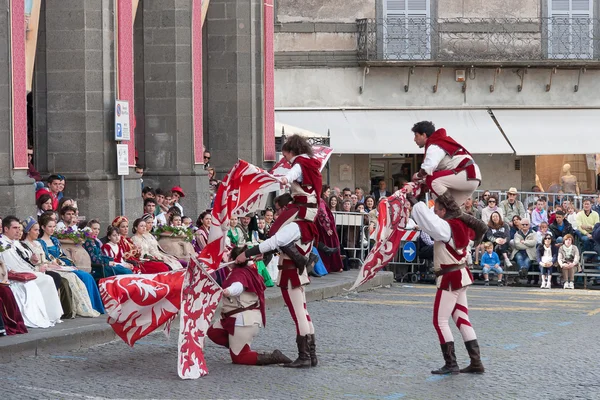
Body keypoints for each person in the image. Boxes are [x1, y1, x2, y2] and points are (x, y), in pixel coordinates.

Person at [235, 193, 318, 369]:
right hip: (296, 272)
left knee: (299, 315)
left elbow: (274, 241)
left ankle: (304, 356)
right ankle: (311, 355)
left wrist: (247, 253)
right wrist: (263, 252)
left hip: (291, 273)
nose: (280, 213)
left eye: (280, 209)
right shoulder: (306, 225)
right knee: (303, 312)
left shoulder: (294, 226)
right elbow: (284, 245)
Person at [409, 192, 486, 375]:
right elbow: (429, 222)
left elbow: (429, 221)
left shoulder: (446, 227)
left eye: (436, 210)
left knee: (440, 320)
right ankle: (476, 362)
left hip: (450, 277)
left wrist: (416, 202)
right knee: (461, 319)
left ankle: (451, 364)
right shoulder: (460, 224)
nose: (434, 213)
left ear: (443, 211)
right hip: (460, 274)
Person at [207, 246, 292, 366]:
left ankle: (273, 357)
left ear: (233, 258)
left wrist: (228, 291)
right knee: (213, 332)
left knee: (240, 358)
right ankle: (238, 344)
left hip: (243, 320)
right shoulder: (248, 270)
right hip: (235, 318)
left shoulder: (240, 273)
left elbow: (238, 286)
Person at [0, 216, 63, 326]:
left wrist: (33, 262)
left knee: (49, 278)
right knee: (47, 279)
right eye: (15, 228)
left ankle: (50, 314)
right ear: (6, 229)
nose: (18, 231)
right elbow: (11, 264)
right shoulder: (3, 243)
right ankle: (47, 314)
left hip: (25, 270)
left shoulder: (14, 242)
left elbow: (21, 260)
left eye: (19, 228)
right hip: (14, 274)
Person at [36, 214, 105, 314]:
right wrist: (57, 264)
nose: (52, 229)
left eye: (54, 226)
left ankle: (94, 306)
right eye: (49, 226)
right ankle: (83, 307)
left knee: (87, 276)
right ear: (43, 227)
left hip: (63, 265)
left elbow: (62, 255)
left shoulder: (55, 240)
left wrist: (68, 262)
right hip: (53, 267)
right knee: (79, 277)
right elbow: (46, 258)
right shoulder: (40, 242)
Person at [411, 121, 481, 207]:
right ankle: (460, 215)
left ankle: (453, 211)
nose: (414, 139)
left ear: (424, 135)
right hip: (470, 177)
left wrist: (418, 175)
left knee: (431, 180)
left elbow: (428, 168)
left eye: (416, 135)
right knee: (442, 209)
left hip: (466, 174)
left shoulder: (435, 144)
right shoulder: (440, 142)